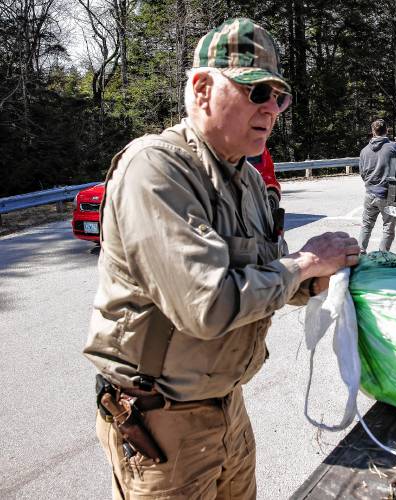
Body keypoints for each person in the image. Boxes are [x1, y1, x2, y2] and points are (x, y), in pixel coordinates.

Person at [83, 18, 359, 499]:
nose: (273, 109)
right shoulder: (156, 168)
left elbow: (269, 275)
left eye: (280, 97)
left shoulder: (249, 181)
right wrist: (306, 263)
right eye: (257, 92)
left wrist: (328, 278)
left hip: (226, 406)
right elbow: (207, 306)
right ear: (203, 88)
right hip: (159, 422)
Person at [357, 119, 396, 253]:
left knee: (366, 226)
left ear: (373, 132)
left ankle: (359, 254)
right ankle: (383, 256)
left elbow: (362, 173)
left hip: (369, 194)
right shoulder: (392, 147)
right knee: (388, 228)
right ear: (387, 130)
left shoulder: (364, 151)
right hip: (387, 194)